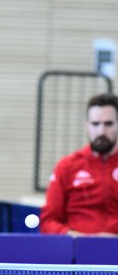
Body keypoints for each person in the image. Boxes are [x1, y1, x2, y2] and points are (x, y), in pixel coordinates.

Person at [40, 93, 118, 237]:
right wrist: (74, 236)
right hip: (77, 253)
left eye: (108, 124)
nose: (101, 131)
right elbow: (48, 221)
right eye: (95, 124)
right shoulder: (67, 166)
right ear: (86, 126)